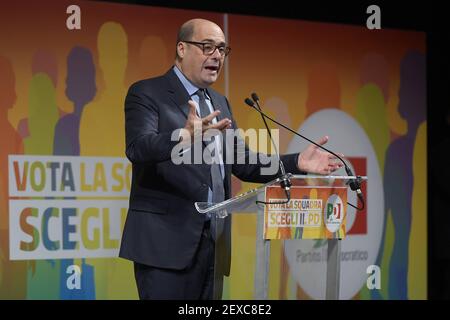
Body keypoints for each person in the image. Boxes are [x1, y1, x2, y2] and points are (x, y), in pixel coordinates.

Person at [119, 18, 342, 300]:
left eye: (222, 50)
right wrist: (184, 136)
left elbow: (243, 163)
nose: (216, 56)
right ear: (182, 49)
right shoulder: (147, 92)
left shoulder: (219, 102)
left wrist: (297, 162)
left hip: (213, 245)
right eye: (207, 46)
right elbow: (138, 148)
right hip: (165, 246)